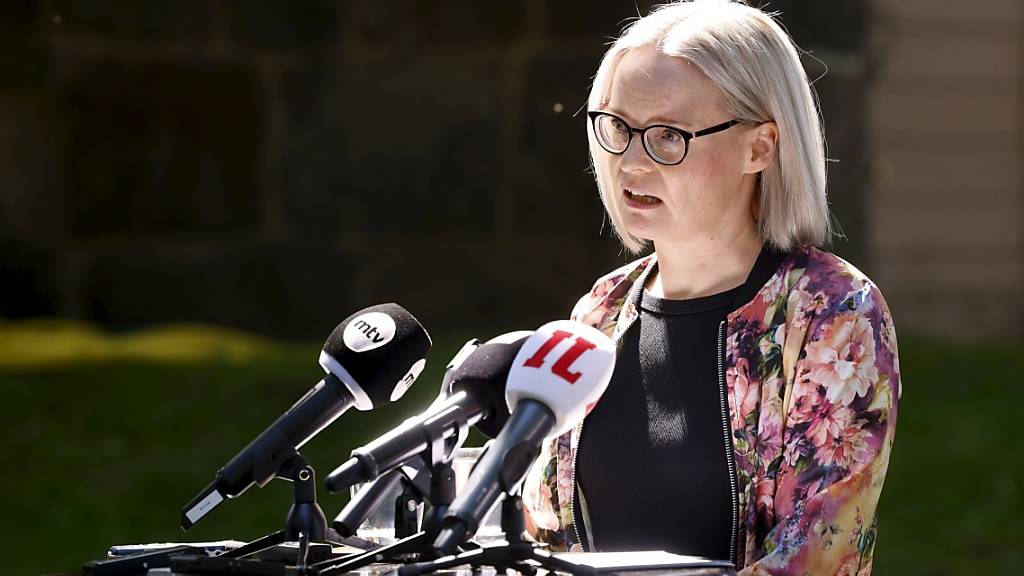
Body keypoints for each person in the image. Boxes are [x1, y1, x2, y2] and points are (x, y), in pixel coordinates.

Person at [521, 1, 901, 574]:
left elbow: (817, 557)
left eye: (669, 135)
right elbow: (545, 536)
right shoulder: (600, 311)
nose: (631, 162)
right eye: (618, 128)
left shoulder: (834, 312)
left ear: (761, 146)